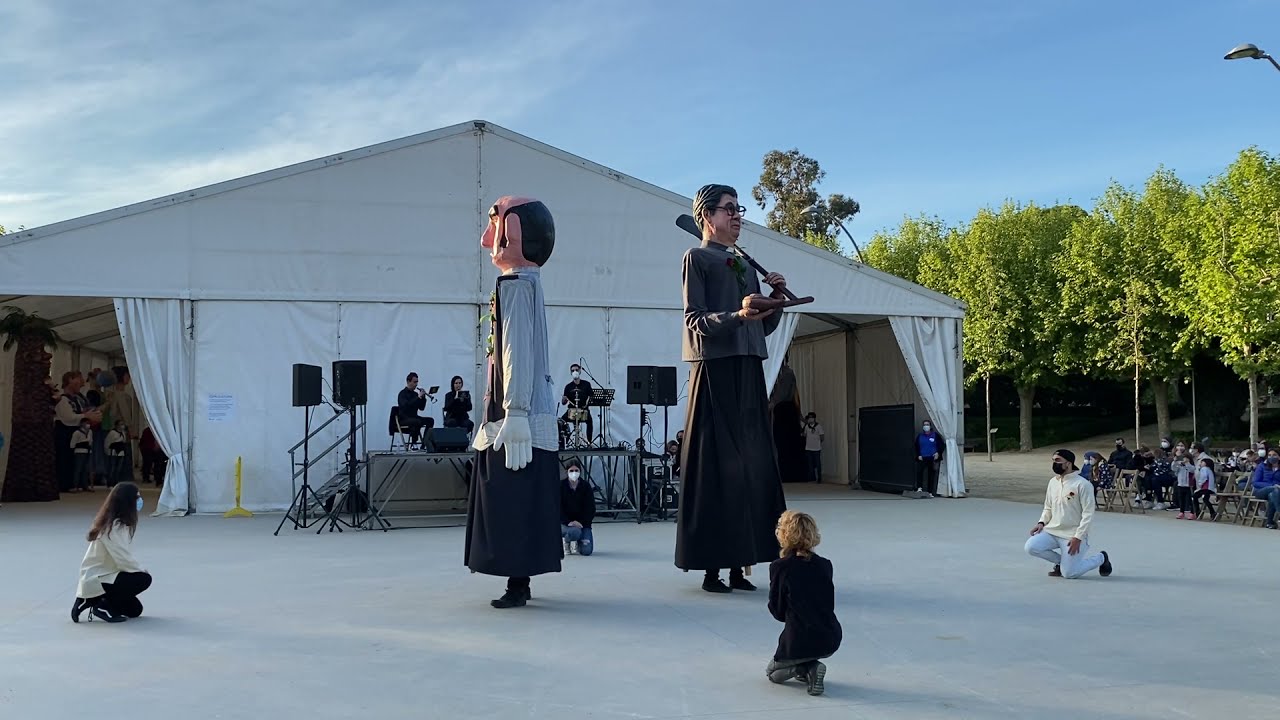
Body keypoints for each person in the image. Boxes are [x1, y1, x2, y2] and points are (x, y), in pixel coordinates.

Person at [675, 183, 788, 594]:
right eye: (728, 209)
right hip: (715, 370)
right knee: (715, 469)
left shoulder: (742, 262)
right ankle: (711, 569)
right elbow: (695, 321)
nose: (737, 216)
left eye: (739, 209)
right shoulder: (697, 258)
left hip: (748, 369)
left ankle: (743, 564)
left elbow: (761, 325)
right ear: (707, 215)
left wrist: (772, 300)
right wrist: (738, 315)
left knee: (753, 466)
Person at [464, 195, 562, 609]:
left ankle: (517, 582)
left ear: (514, 233)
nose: (489, 238)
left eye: (496, 226)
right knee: (517, 496)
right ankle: (517, 579)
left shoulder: (517, 285)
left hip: (514, 411)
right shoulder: (524, 284)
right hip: (513, 406)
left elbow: (515, 349)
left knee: (513, 497)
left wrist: (516, 409)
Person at [765, 510, 841, 697]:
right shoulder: (825, 564)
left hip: (798, 638)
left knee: (773, 673)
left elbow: (777, 609)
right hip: (830, 636)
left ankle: (806, 667)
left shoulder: (780, 567)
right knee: (808, 647)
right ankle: (809, 665)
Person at [1025, 450, 1113, 579]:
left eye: (1058, 460)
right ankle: (1061, 563)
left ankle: (1101, 558)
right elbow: (1048, 507)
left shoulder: (1083, 484)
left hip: (1073, 535)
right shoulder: (1052, 482)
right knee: (1031, 547)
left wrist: (1078, 537)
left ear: (1068, 463)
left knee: (1070, 573)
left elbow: (1088, 514)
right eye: (1053, 460)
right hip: (1052, 531)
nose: (1054, 463)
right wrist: (1041, 522)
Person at [72, 482, 152, 623]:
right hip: (98, 577)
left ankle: (91, 599)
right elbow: (122, 557)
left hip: (108, 574)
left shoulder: (118, 524)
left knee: (134, 610)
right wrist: (139, 571)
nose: (140, 500)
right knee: (143, 579)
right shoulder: (113, 527)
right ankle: (100, 604)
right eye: (137, 497)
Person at [769, 356, 806, 483]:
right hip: (787, 410)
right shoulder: (786, 372)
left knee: (781, 443)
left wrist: (772, 403)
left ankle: (783, 473)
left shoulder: (784, 373)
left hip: (782, 410)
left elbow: (782, 394)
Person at [560, 461, 595, 556]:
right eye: (571, 470)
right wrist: (568, 522)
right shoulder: (560, 486)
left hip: (582, 524)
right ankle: (566, 541)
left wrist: (581, 522)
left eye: (576, 470)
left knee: (586, 551)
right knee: (574, 531)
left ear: (580, 471)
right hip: (565, 524)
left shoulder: (586, 486)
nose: (574, 473)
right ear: (567, 471)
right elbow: (558, 508)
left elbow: (590, 508)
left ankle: (578, 542)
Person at [560, 364, 594, 447]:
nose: (575, 372)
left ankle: (589, 442)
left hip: (583, 410)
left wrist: (587, 404)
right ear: (570, 372)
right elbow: (563, 403)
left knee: (590, 421)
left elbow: (591, 397)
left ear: (580, 371)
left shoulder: (586, 384)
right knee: (561, 422)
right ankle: (564, 443)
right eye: (572, 370)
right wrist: (564, 399)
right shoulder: (568, 387)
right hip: (571, 410)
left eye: (576, 370)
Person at [396, 372, 433, 445]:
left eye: (417, 382)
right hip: (404, 418)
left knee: (430, 421)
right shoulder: (402, 394)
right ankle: (414, 443)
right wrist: (418, 398)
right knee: (416, 422)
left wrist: (423, 398)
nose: (416, 384)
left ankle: (425, 443)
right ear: (408, 382)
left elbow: (421, 408)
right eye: (414, 382)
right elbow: (405, 406)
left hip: (414, 417)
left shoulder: (415, 394)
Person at [913, 420, 944, 498]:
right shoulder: (920, 436)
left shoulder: (935, 435)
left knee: (931, 475)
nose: (926, 426)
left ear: (930, 426)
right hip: (922, 458)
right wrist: (918, 455)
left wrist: (938, 453)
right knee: (919, 472)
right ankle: (919, 488)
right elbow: (916, 447)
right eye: (924, 425)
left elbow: (941, 445)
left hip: (932, 458)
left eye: (927, 424)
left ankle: (930, 491)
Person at [1250, 450, 1280, 529]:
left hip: (1276, 492)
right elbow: (1255, 482)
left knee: (1272, 494)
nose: (1271, 457)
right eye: (1269, 455)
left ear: (1279, 457)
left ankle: (1269, 522)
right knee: (1274, 489)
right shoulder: (1262, 466)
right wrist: (1272, 485)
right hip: (1260, 491)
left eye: (1274, 455)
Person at [71, 419, 94, 493]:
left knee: (86, 470)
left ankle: (85, 486)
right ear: (81, 424)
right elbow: (72, 444)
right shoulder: (77, 433)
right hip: (79, 452)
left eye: (89, 423)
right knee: (78, 469)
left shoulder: (90, 432)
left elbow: (91, 441)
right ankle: (75, 486)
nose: (88, 424)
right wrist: (81, 443)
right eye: (86, 423)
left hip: (88, 452)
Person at [802, 412, 824, 484]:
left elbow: (822, 437)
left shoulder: (818, 426)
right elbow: (805, 435)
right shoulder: (807, 426)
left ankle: (819, 477)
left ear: (814, 418)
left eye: (811, 418)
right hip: (808, 447)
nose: (810, 419)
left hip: (817, 448)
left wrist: (818, 442)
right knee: (810, 464)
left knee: (818, 463)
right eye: (809, 418)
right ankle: (812, 477)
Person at [1193, 456, 1217, 520]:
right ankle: (1212, 512)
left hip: (1206, 488)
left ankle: (1197, 511)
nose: (1200, 464)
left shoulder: (1204, 469)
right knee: (1205, 499)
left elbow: (1204, 478)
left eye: (1202, 462)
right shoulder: (1209, 469)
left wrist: (1200, 484)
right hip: (1209, 488)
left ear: (1206, 463)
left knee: (1195, 496)